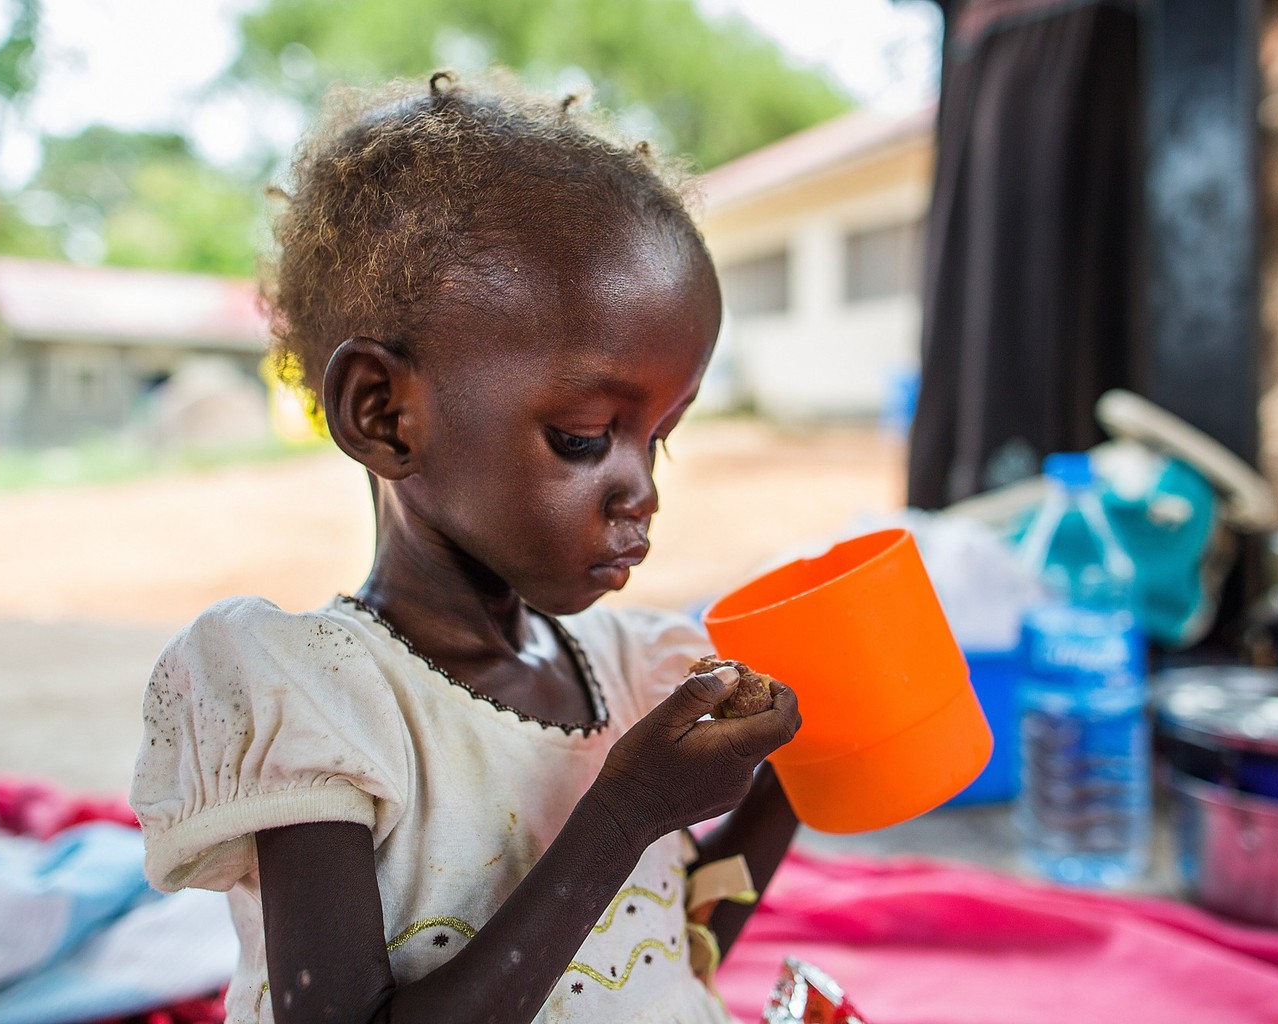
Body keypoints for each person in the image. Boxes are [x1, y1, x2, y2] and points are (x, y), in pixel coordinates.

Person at [129, 72, 802, 1024]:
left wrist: (790, 789)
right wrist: (623, 813)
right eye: (583, 436)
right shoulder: (318, 700)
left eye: (659, 437)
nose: (643, 489)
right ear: (384, 413)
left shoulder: (631, 669)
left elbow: (659, 958)